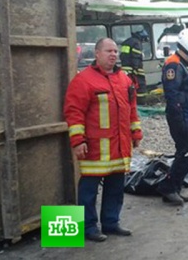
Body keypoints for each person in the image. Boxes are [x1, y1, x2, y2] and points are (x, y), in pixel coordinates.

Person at [64, 38, 143, 242]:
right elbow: (74, 112)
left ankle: (111, 222)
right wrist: (78, 140)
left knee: (115, 188)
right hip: (94, 149)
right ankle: (88, 227)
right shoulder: (83, 80)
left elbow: (131, 109)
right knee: (88, 191)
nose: (113, 54)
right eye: (109, 51)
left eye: (116, 51)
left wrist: (136, 133)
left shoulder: (124, 80)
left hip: (119, 148)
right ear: (97, 54)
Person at [158, 28, 188, 206]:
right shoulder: (174, 65)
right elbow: (173, 95)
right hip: (181, 116)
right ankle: (168, 187)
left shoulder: (187, 65)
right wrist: (179, 121)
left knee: (184, 152)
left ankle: (174, 188)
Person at [120, 28, 150, 104]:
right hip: (134, 69)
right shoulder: (136, 43)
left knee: (129, 87)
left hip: (125, 69)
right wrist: (135, 69)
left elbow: (122, 56)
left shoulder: (128, 41)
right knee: (140, 86)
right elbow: (136, 57)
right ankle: (141, 102)